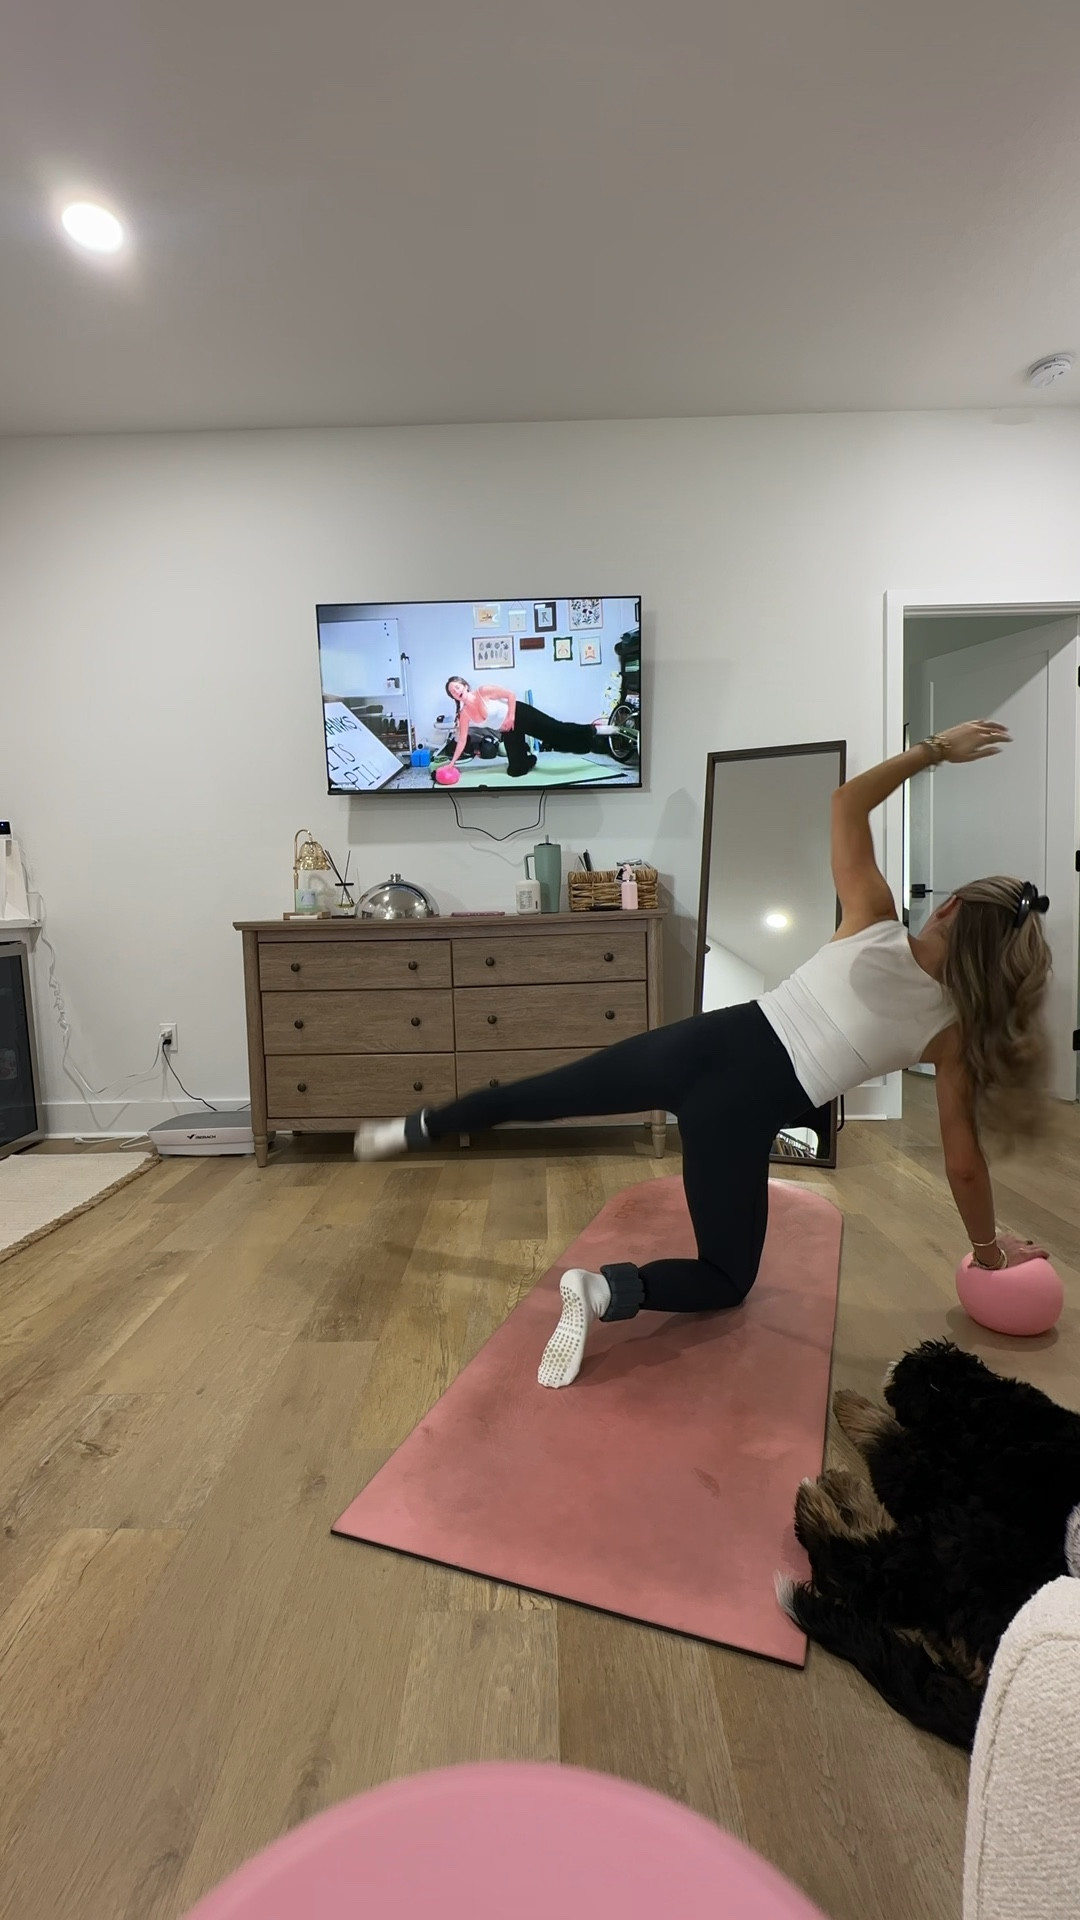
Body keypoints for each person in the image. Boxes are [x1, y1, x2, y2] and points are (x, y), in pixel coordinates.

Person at [356, 720, 1053, 1388]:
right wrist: (989, 1253)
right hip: (740, 1114)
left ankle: (420, 1126)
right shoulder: (951, 1033)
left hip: (699, 1043)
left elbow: (847, 801)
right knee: (725, 1278)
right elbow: (964, 1164)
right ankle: (602, 1290)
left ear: (949, 909)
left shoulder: (873, 918)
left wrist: (936, 750)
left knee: (539, 1095)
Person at [442, 677, 614, 778]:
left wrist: (510, 717)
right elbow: (462, 740)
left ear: (464, 685)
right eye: (452, 692)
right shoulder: (465, 714)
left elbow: (510, 695)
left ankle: (592, 730)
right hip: (508, 730)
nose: (456, 691)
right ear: (453, 697)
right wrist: (452, 763)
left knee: (558, 732)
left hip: (520, 714)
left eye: (457, 687)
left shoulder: (483, 691)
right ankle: (530, 759)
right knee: (515, 771)